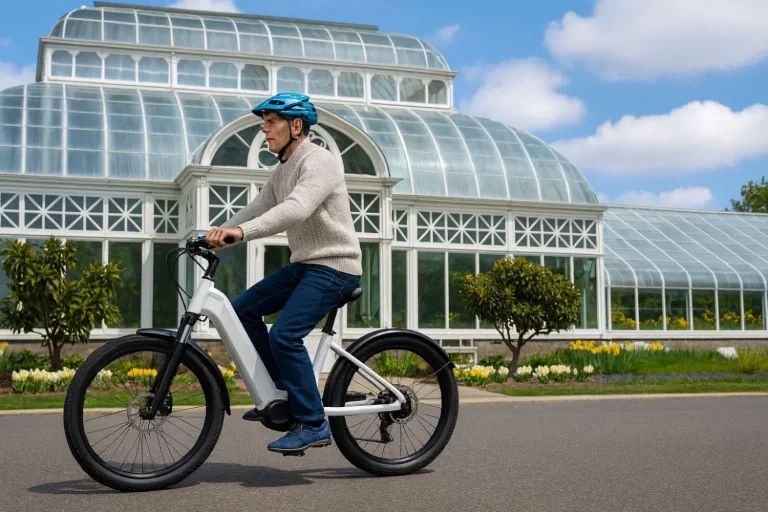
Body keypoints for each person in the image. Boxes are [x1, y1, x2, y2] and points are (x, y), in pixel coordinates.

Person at [205, 92, 362, 454]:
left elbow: (296, 209)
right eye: (264, 122)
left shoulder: (320, 161)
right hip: (306, 265)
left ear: (296, 126)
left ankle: (312, 422)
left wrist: (240, 235)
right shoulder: (281, 170)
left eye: (271, 122)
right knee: (241, 310)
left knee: (285, 335)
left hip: (336, 266)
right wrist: (213, 235)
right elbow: (257, 208)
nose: (264, 129)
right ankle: (283, 396)